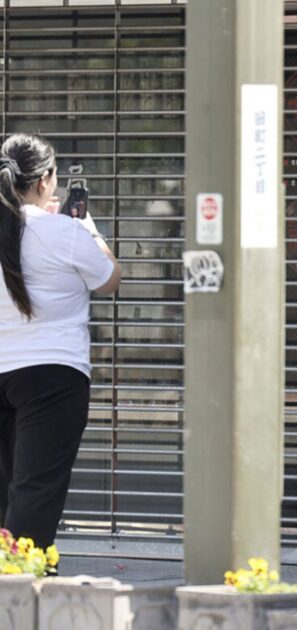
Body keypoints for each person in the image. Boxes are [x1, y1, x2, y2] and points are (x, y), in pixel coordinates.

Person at [0, 133, 121, 549]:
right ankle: (22, 580)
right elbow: (110, 279)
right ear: (45, 180)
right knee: (35, 490)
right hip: (53, 377)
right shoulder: (66, 231)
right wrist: (88, 230)